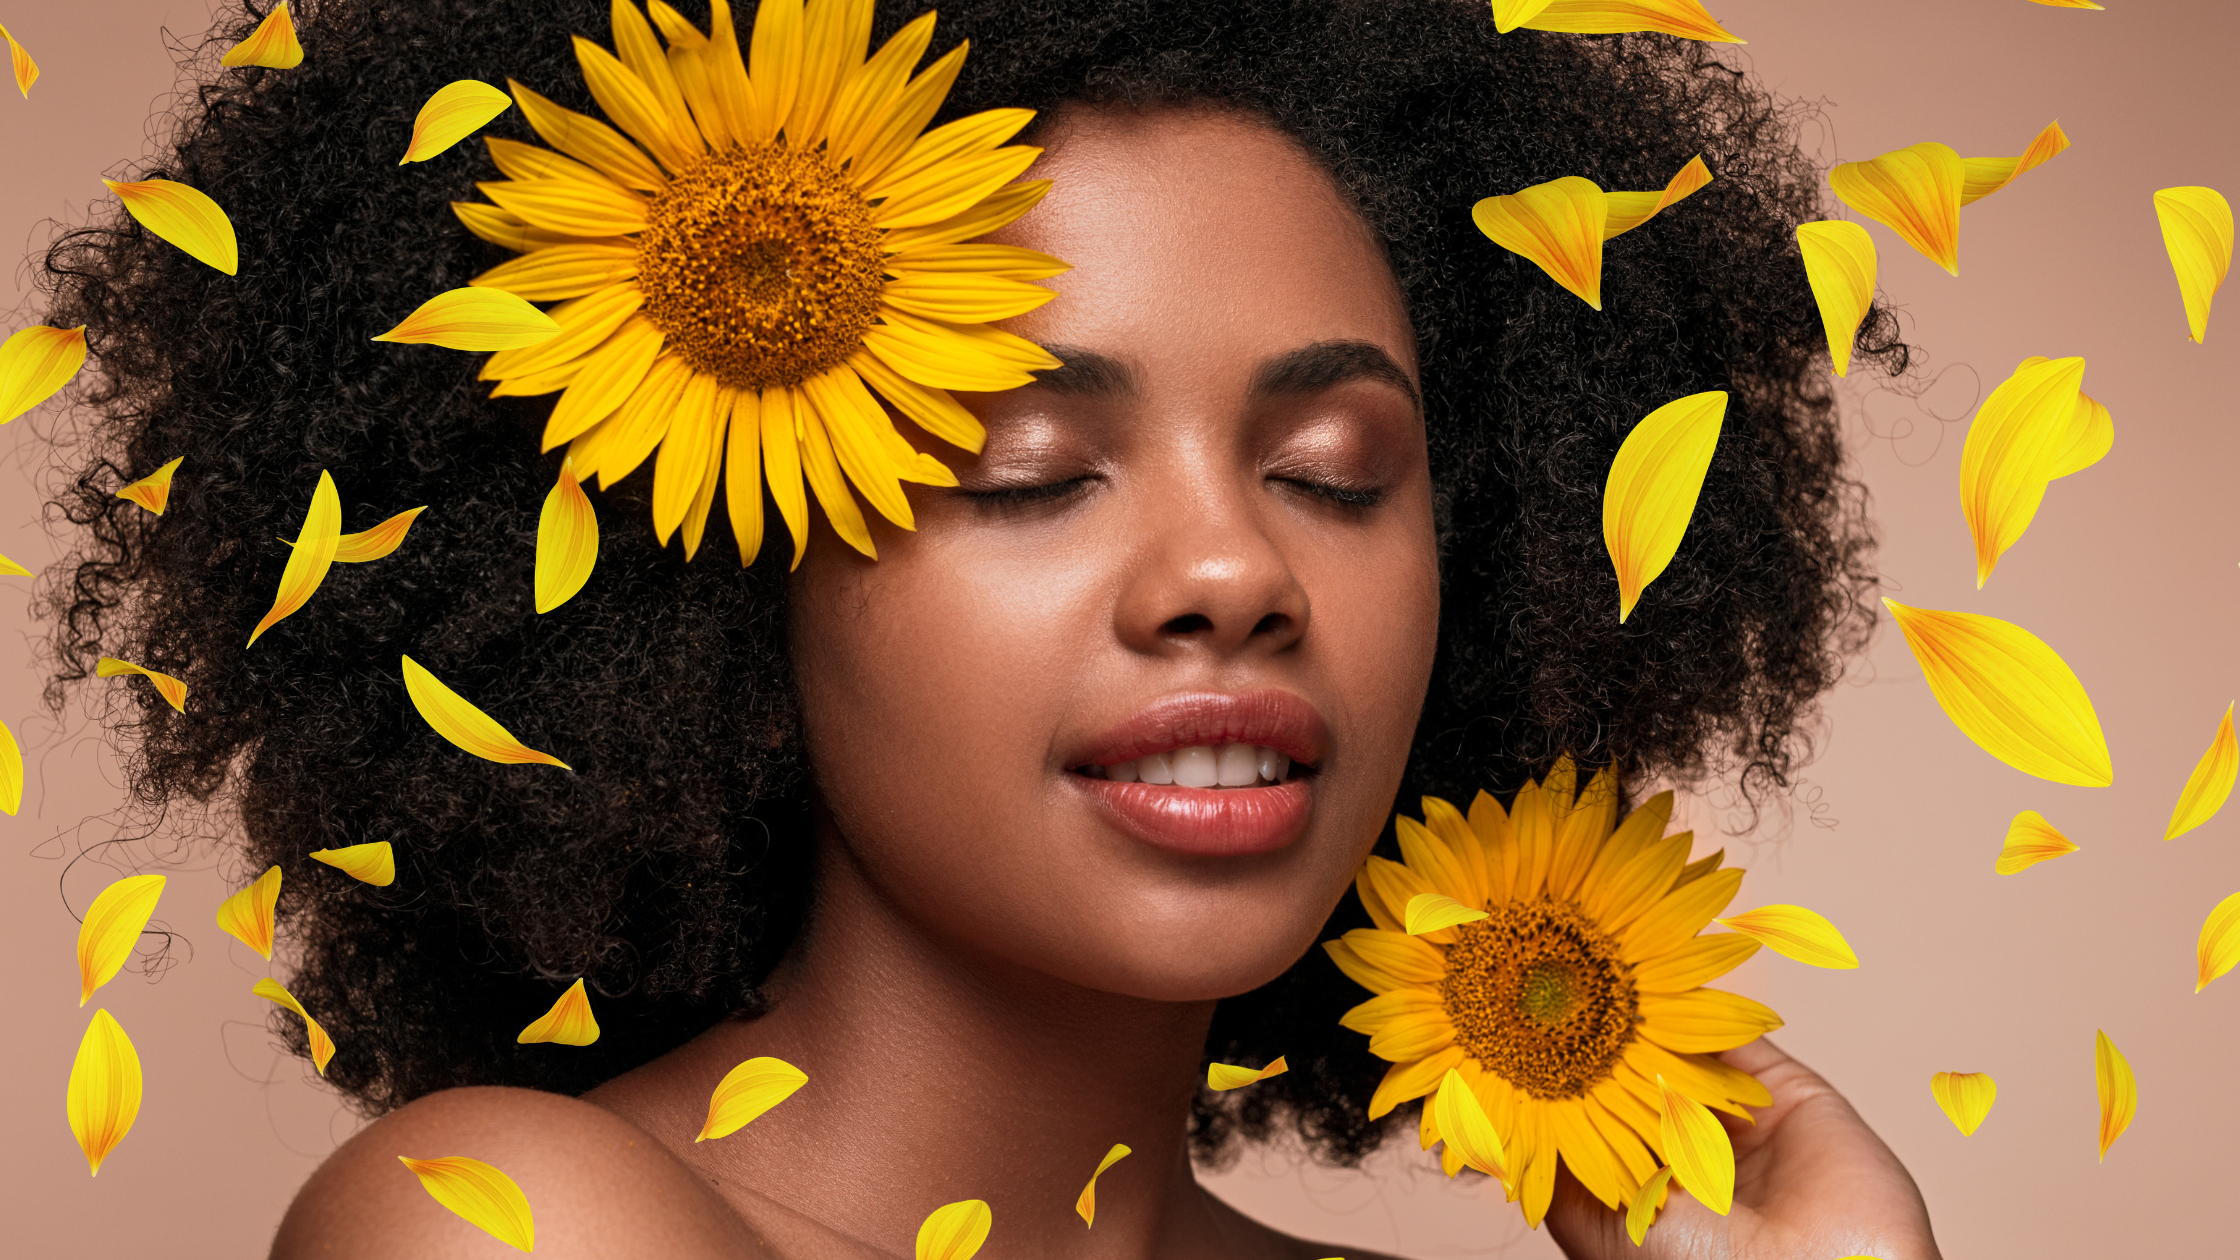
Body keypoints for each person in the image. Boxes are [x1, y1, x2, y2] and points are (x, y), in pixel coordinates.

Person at [38, 0, 1937, 1256]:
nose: (1235, 572)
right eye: (1027, 467)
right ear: (705, 577)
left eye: (1341, 471)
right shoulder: (507, 1221)